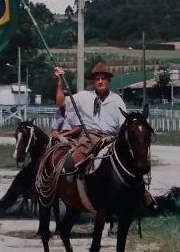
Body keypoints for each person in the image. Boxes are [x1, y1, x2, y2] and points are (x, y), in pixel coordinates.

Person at [54, 62, 156, 208]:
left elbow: (124, 125)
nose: (101, 81)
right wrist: (59, 81)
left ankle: (143, 192)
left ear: (109, 81)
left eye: (104, 78)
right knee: (73, 162)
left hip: (112, 138)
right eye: (97, 79)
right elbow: (60, 102)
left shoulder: (117, 100)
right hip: (90, 137)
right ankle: (72, 191)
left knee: (133, 163)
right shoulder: (83, 97)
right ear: (93, 82)